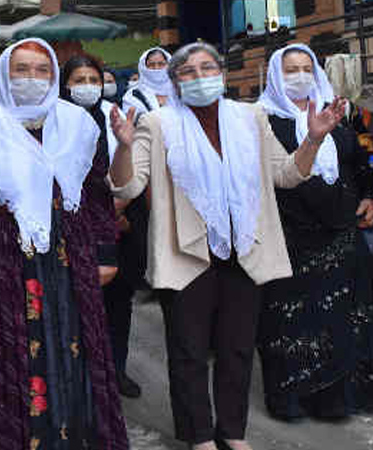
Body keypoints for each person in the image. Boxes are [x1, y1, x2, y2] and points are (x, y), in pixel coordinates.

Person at [108, 42, 346, 450]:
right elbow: (126, 185)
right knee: (188, 351)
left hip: (244, 250)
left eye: (207, 68)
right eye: (188, 72)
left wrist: (313, 139)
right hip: (186, 252)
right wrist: (125, 146)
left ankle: (232, 433)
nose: (199, 78)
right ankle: (199, 435)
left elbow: (286, 175)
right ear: (175, 81)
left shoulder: (250, 117)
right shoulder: (157, 122)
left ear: (222, 74)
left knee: (237, 348)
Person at [0, 38, 128, 449]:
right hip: (6, 258)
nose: (32, 78)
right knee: (18, 355)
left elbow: (98, 194)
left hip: (72, 253)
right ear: (5, 74)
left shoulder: (78, 124)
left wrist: (106, 252)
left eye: (42, 69)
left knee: (77, 345)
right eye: (22, 69)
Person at [256, 43, 373, 421]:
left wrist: (369, 198)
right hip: (291, 238)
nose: (299, 76)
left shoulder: (336, 114)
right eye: (290, 69)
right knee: (293, 320)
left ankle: (342, 398)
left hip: (343, 235)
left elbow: (360, 165)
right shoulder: (262, 121)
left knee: (347, 317)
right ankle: (295, 399)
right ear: (276, 75)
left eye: (305, 68)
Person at [59, 55, 144, 399]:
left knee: (118, 305)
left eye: (93, 79)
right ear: (65, 85)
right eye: (78, 80)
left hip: (122, 224)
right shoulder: (55, 119)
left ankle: (115, 371)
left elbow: (136, 164)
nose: (88, 86)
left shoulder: (117, 115)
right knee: (76, 305)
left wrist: (117, 210)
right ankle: (80, 375)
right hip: (73, 228)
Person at [122, 47, 173, 116]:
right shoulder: (132, 96)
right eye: (151, 65)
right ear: (143, 67)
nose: (156, 68)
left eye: (161, 64)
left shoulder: (179, 90)